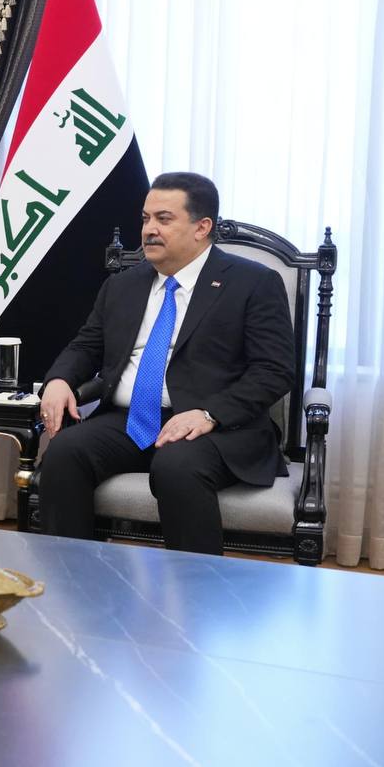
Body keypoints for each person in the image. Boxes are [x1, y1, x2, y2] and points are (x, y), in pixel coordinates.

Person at [37, 172, 294, 554]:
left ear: (202, 227)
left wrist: (209, 414)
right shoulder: (123, 284)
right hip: (129, 421)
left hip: (213, 427)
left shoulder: (253, 283)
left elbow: (274, 370)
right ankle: (75, 576)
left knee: (176, 466)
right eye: (145, 218)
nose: (149, 230)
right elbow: (87, 345)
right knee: (63, 453)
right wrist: (59, 380)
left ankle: (194, 587)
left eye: (164, 219)